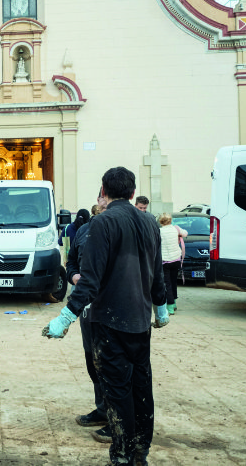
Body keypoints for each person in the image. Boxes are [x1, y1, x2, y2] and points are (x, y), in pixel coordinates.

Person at [43, 167, 169, 466]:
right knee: (142, 387)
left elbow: (90, 280)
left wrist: (65, 317)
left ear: (104, 190)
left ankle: (123, 455)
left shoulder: (104, 223)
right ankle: (141, 451)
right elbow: (157, 274)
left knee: (117, 391)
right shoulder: (150, 222)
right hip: (140, 321)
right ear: (131, 190)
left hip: (110, 322)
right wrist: (160, 307)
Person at [66, 202, 109, 443]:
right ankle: (102, 409)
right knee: (92, 360)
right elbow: (70, 261)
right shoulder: (83, 232)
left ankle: (116, 417)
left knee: (110, 363)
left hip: (111, 307)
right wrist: (74, 276)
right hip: (86, 308)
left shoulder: (117, 229)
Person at [158, 213, 187, 315]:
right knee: (174, 281)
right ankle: (174, 303)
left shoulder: (159, 231)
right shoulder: (176, 229)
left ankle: (170, 307)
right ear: (170, 220)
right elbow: (185, 233)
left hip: (165, 261)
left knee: (167, 284)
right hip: (176, 260)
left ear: (160, 221)